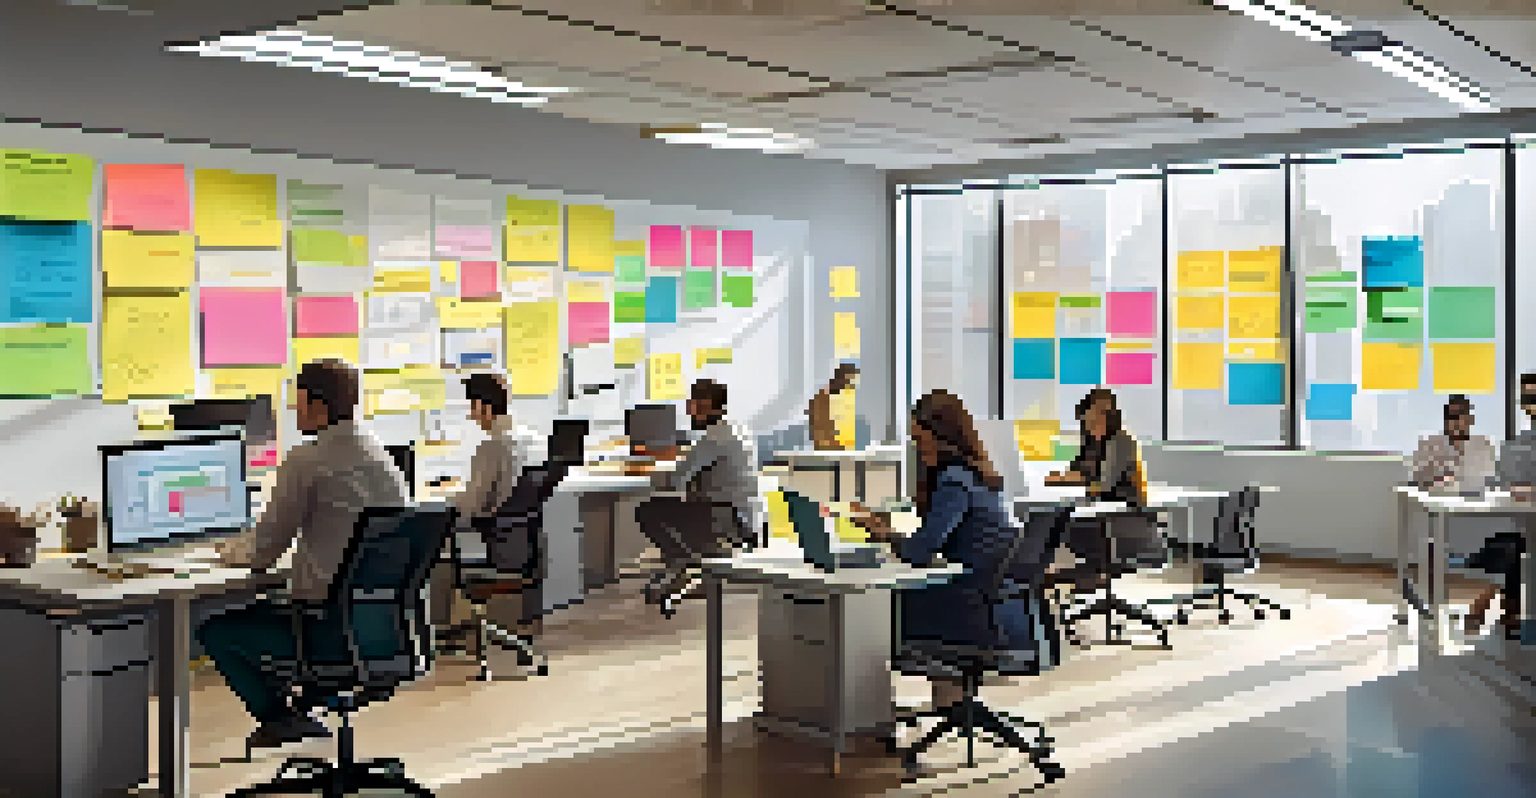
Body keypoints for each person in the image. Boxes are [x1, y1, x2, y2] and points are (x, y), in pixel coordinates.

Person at [199, 359, 408, 750]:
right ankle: (304, 708)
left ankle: (280, 718)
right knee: (275, 602)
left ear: (319, 407)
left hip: (329, 634)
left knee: (217, 630)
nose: (294, 413)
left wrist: (224, 553)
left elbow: (263, 553)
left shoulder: (307, 460)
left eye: (298, 404)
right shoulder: (381, 457)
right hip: (385, 631)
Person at [853, 390, 1059, 711]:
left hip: (974, 606)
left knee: (880, 604)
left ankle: (867, 713)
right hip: (1004, 606)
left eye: (921, 440)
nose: (919, 450)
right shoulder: (981, 475)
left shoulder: (953, 480)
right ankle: (949, 704)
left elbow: (918, 553)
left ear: (941, 437)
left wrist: (883, 533)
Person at [635, 380, 758, 616]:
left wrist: (645, 470)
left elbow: (677, 481)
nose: (689, 411)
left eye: (692, 405)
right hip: (744, 514)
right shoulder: (734, 428)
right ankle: (690, 564)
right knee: (674, 506)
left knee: (648, 510)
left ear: (704, 405)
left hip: (724, 515)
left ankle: (685, 564)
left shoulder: (714, 438)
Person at [1044, 388, 1149, 594]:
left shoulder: (1120, 441)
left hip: (1123, 522)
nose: (1090, 426)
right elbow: (1077, 471)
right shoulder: (1092, 443)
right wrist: (1066, 477)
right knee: (1053, 522)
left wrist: (1070, 479)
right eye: (1087, 422)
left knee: (1058, 525)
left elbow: (1104, 484)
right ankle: (1076, 575)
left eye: (1096, 419)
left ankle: (1075, 575)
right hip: (1098, 516)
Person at [1459, 375, 1536, 638]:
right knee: (1510, 541)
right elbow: (1505, 481)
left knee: (1516, 546)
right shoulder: (1518, 444)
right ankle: (1509, 608)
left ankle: (1492, 602)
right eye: (1527, 398)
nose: (1531, 405)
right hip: (1525, 520)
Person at [1410, 395, 1496, 492]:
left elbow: (1489, 481)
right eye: (1451, 416)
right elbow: (1418, 480)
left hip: (1474, 501)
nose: (1455, 420)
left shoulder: (1482, 446)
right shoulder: (1429, 446)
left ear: (1470, 419)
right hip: (1438, 501)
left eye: (1460, 415)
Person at [808, 363, 859, 451]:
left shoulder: (844, 397)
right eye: (849, 380)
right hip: (829, 447)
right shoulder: (823, 398)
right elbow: (818, 426)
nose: (850, 385)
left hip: (843, 447)